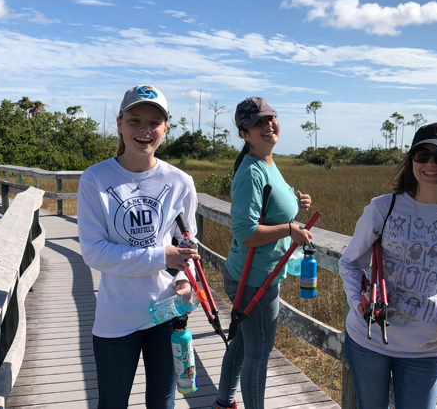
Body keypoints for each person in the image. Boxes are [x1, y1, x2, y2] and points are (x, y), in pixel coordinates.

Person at [339, 122, 437, 409]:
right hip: (369, 339)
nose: (431, 164)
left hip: (425, 347)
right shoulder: (384, 207)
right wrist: (358, 303)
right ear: (411, 161)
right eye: (422, 155)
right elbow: (351, 263)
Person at [77, 85, 200, 409]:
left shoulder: (180, 182)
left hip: (166, 311)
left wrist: (185, 280)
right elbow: (94, 251)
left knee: (162, 402)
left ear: (165, 129)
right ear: (119, 123)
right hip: (115, 316)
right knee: (112, 403)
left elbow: (186, 245)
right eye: (135, 120)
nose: (144, 130)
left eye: (153, 122)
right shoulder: (95, 179)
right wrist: (161, 256)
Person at [213, 97, 313, 409]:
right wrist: (289, 229)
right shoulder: (252, 171)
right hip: (254, 279)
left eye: (271, 118)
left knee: (244, 343)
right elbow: (244, 232)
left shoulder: (267, 161)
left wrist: (296, 202)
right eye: (258, 122)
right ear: (244, 133)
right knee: (259, 354)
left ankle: (223, 402)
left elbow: (269, 205)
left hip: (257, 274)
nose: (268, 125)